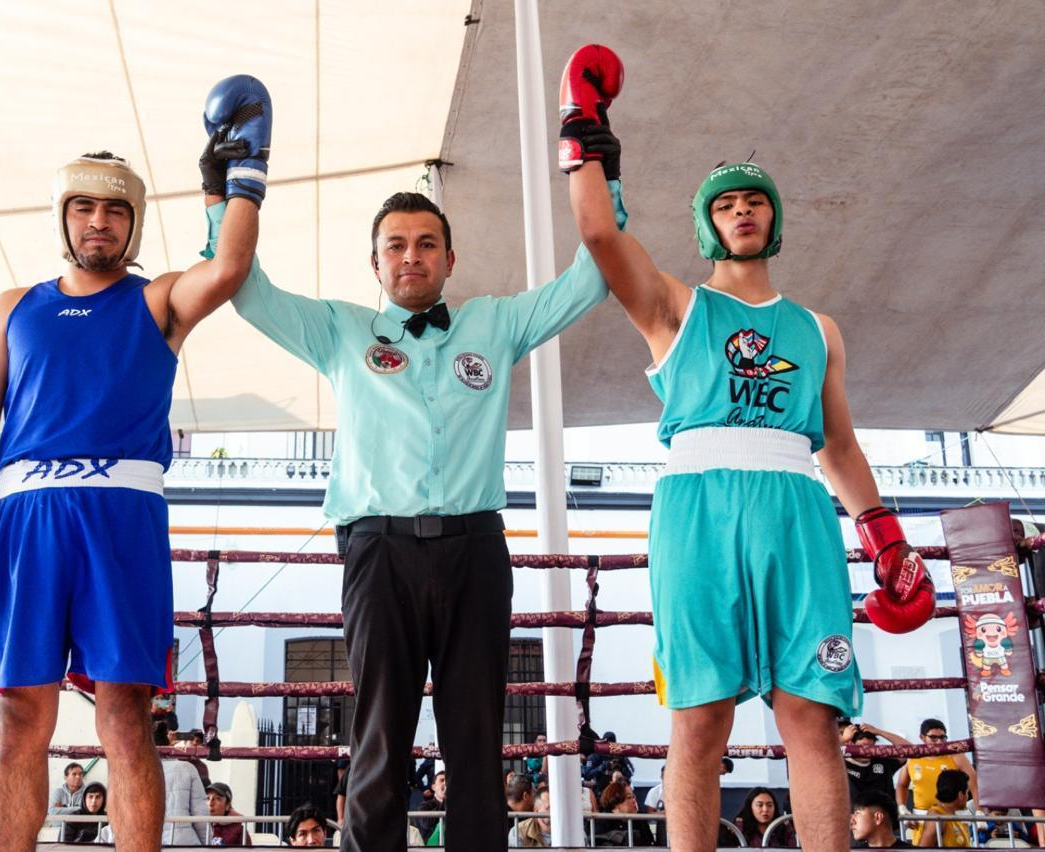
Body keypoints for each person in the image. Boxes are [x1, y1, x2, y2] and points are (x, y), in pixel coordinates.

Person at [562, 42, 935, 852]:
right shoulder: (675, 308)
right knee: (699, 721)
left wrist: (886, 537)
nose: (742, 212)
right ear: (709, 224)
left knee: (813, 718)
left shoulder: (817, 330)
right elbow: (598, 233)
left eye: (755, 201)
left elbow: (839, 445)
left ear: (774, 220)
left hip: (798, 508)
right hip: (699, 508)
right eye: (727, 203)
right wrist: (584, 130)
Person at [0, 74, 267, 852]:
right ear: (64, 217)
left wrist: (236, 179)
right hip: (25, 517)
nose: (100, 221)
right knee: (18, 714)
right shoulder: (14, 306)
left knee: (126, 715)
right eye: (85, 207)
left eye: (116, 210)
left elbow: (228, 268)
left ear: (133, 224)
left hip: (121, 517)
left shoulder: (157, 300)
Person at [231, 117, 616, 852]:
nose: (412, 256)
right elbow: (247, 291)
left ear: (450, 258)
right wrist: (232, 187)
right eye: (396, 245)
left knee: (477, 738)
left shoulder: (495, 324)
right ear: (375, 263)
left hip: (475, 550)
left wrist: (597, 165)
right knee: (379, 737)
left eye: (427, 243)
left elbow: (592, 276)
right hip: (379, 551)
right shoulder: (341, 330)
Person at [896, 718, 979, 835]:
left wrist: (980, 812)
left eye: (943, 737)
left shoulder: (956, 756)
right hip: (922, 818)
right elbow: (901, 785)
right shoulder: (913, 758)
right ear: (922, 737)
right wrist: (902, 808)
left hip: (955, 817)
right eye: (933, 738)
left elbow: (974, 784)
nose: (939, 742)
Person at [157, 721, 210, 845]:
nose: (195, 743)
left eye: (199, 741)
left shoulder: (197, 767)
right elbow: (200, 812)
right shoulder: (186, 767)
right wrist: (206, 844)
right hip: (180, 841)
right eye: (192, 739)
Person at [913, 769, 972, 848]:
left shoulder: (950, 816)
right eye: (967, 792)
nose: (967, 797)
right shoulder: (937, 817)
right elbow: (922, 849)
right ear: (960, 795)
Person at [594, 776, 655, 847]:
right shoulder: (602, 820)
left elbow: (649, 843)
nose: (634, 800)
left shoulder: (640, 818)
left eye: (634, 797)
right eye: (629, 797)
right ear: (615, 802)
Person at [206, 781, 252, 846]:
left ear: (227, 805)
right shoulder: (198, 825)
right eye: (207, 798)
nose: (210, 803)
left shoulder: (239, 831)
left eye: (217, 798)